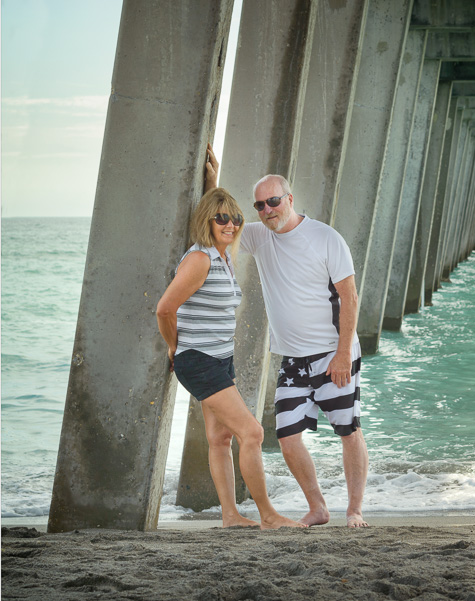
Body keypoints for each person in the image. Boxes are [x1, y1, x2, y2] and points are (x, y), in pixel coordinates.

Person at [157, 156, 304, 531]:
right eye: (221, 218)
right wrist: (175, 349)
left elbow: (220, 214)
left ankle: (230, 516)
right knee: (252, 433)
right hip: (199, 360)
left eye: (236, 218)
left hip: (220, 359)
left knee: (220, 438)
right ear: (207, 221)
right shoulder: (200, 260)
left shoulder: (223, 255)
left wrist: (213, 182)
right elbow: (164, 309)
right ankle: (268, 515)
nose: (231, 224)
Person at [235, 168, 369, 528]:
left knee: (347, 429)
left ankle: (354, 510)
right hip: (293, 359)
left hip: (333, 353)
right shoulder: (259, 237)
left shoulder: (325, 238)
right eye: (260, 205)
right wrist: (209, 179)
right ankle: (318, 507)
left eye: (273, 201)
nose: (267, 210)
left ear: (289, 199)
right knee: (288, 437)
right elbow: (219, 224)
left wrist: (343, 353)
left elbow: (350, 296)